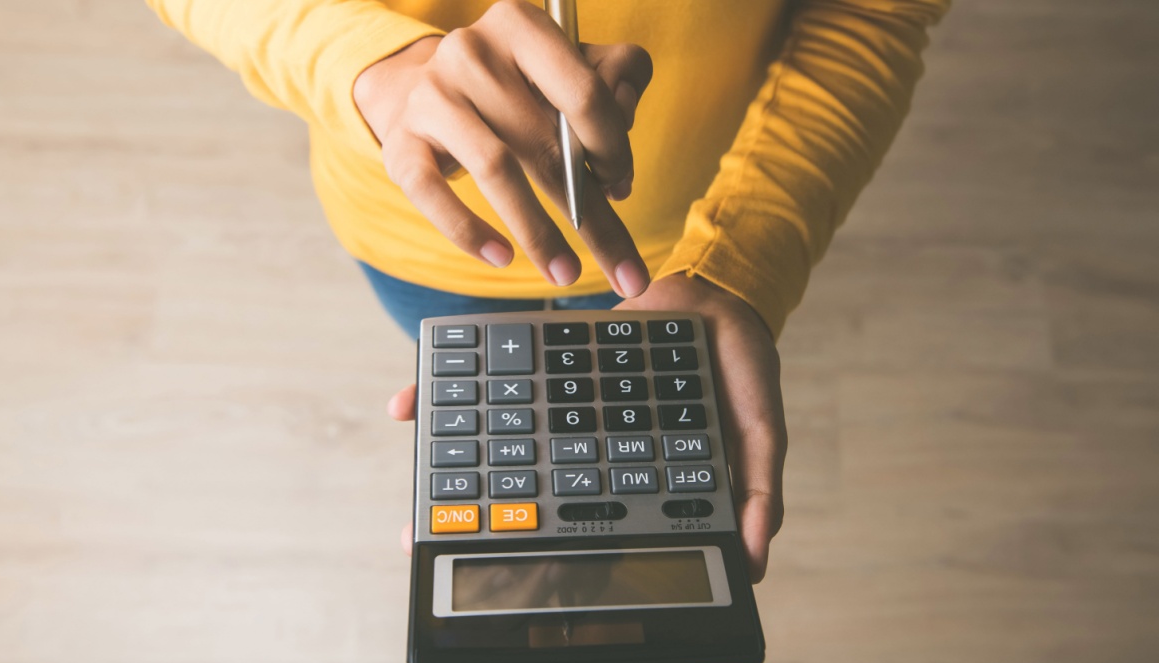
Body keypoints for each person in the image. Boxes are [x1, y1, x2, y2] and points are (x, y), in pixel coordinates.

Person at [147, 0, 949, 582]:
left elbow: (875, 11)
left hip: (678, 248)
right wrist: (370, 63)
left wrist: (743, 255)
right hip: (427, 238)